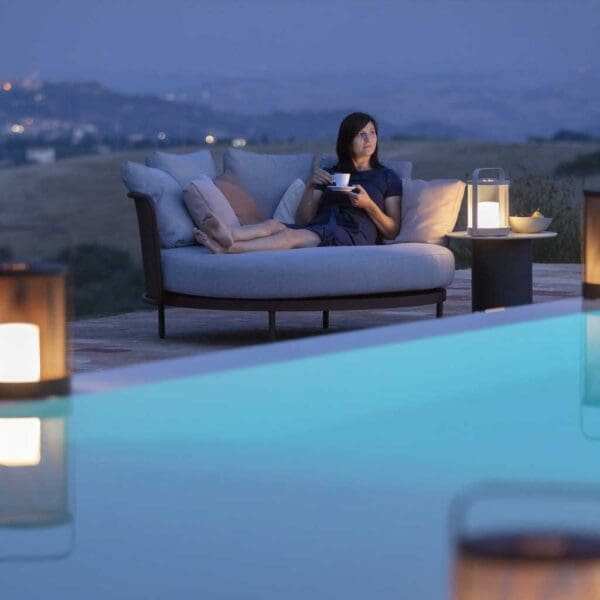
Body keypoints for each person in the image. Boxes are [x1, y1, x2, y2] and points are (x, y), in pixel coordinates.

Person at [194, 112, 402, 253]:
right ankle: (230, 234)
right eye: (361, 134)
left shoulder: (386, 177)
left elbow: (392, 231)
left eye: (372, 133)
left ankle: (229, 248)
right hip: (320, 228)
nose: (369, 139)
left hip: (354, 234)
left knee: (290, 237)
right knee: (274, 224)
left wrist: (369, 206)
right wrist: (311, 186)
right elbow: (304, 220)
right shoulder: (330, 174)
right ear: (347, 141)